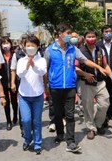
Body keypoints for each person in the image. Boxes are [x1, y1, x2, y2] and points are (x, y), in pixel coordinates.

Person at [44, 23, 108, 153]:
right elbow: (45, 69)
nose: (69, 36)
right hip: (55, 87)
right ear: (59, 34)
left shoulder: (73, 49)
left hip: (70, 86)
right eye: (67, 33)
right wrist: (46, 85)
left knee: (70, 115)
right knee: (57, 113)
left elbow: (85, 61)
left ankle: (71, 141)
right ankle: (60, 134)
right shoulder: (50, 50)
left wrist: (98, 67)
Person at [76, 29, 111, 139]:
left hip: (100, 82)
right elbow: (75, 67)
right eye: (89, 36)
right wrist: (85, 74)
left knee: (105, 103)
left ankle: (98, 123)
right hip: (86, 82)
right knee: (88, 107)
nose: (91, 38)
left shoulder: (100, 50)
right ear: (85, 38)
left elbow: (105, 65)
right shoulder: (80, 51)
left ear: (97, 37)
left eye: (93, 36)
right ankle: (90, 128)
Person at [16, 35, 47, 154]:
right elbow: (20, 74)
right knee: (26, 120)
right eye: (28, 45)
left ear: (38, 47)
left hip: (37, 95)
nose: (30, 48)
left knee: (37, 121)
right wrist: (27, 66)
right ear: (24, 47)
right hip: (24, 95)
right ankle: (28, 139)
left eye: (32, 45)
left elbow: (42, 72)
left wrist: (33, 66)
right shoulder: (21, 60)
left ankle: (38, 143)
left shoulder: (41, 60)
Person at [96, 25, 112, 125]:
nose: (108, 33)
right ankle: (103, 114)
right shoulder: (98, 45)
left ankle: (110, 113)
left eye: (110, 31)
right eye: (106, 31)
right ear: (102, 33)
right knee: (103, 96)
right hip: (102, 74)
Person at [0, 37, 18, 131]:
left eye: (7, 43)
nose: (5, 45)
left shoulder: (15, 55)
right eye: (3, 43)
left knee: (14, 101)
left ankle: (15, 115)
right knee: (6, 103)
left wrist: (13, 82)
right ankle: (8, 121)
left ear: (11, 44)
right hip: (3, 83)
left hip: (13, 82)